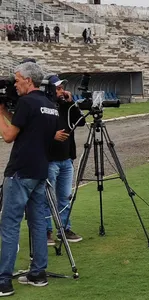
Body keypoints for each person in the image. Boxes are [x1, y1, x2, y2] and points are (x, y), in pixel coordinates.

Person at [0, 62, 59, 296]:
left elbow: (8, 135)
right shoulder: (49, 105)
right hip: (39, 171)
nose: (15, 84)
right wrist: (4, 110)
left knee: (10, 225)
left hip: (20, 171)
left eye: (17, 79)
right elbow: (26, 125)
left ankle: (4, 280)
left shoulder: (26, 102)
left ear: (29, 80)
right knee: (36, 223)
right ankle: (38, 273)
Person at [45, 76, 85, 246]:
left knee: (64, 197)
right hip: (50, 159)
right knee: (47, 197)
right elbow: (35, 131)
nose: (62, 91)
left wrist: (71, 102)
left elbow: (81, 121)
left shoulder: (66, 107)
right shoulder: (45, 107)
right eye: (58, 88)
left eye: (63, 88)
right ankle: (46, 231)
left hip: (66, 159)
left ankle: (64, 229)